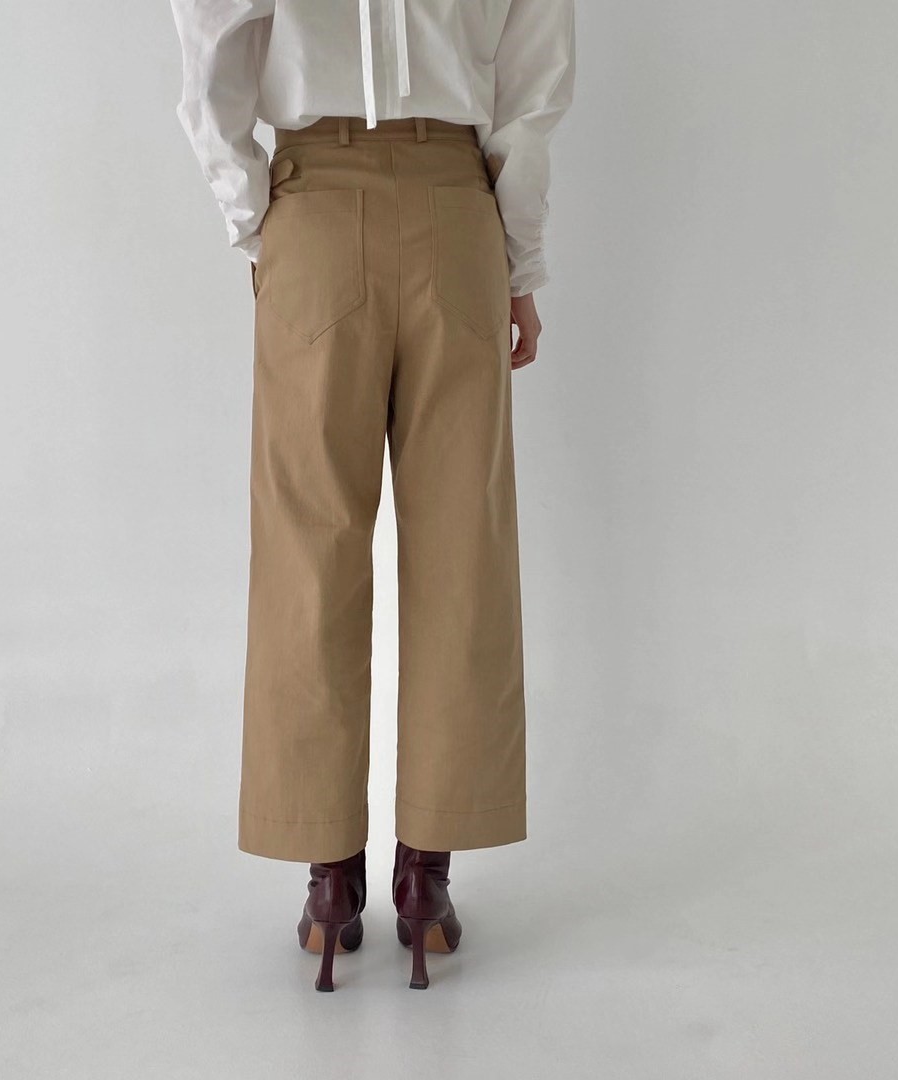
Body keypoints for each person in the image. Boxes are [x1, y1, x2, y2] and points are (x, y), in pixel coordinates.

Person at [168, 0, 576, 992]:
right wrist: (518, 262)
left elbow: (212, 43)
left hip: (313, 205)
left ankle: (328, 882)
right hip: (456, 208)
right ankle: (425, 882)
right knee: (462, 552)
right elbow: (530, 85)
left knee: (307, 549)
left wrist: (252, 216)